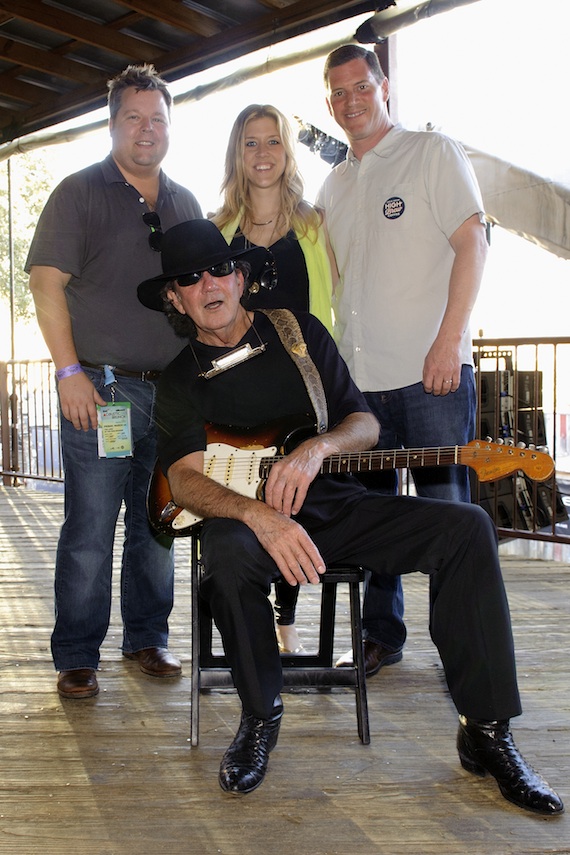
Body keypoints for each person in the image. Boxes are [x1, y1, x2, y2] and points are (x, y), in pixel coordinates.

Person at [136, 218, 563, 814]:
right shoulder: (180, 380)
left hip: (339, 510)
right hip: (253, 529)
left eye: (218, 269)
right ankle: (260, 716)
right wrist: (261, 518)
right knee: (228, 554)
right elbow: (182, 478)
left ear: (238, 276)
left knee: (467, 527)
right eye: (189, 278)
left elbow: (364, 423)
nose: (208, 284)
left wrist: (317, 448)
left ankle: (486, 731)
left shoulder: (296, 332)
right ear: (175, 298)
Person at [25, 64, 203, 700]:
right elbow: (45, 286)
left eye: (157, 119)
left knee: (159, 521)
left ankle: (147, 636)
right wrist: (69, 372)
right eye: (134, 117)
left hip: (174, 392)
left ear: (169, 127)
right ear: (112, 124)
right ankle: (77, 652)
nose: (146, 129)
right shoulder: (79, 192)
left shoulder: (184, 202)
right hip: (102, 391)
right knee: (91, 527)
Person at [315, 45, 489, 677]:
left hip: (431, 375)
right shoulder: (333, 185)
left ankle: (462, 640)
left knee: (451, 515)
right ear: (329, 104)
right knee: (375, 519)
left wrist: (451, 340)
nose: (350, 101)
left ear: (382, 87)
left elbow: (473, 241)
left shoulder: (430, 152)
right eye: (337, 93)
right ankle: (381, 634)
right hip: (360, 388)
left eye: (360, 87)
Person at [210, 103, 336, 654]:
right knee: (244, 504)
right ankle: (249, 621)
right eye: (251, 143)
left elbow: (329, 310)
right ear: (238, 155)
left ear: (287, 152)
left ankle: (285, 622)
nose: (263, 154)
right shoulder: (217, 231)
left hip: (303, 390)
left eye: (273, 142)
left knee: (292, 497)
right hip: (236, 395)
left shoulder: (314, 226)